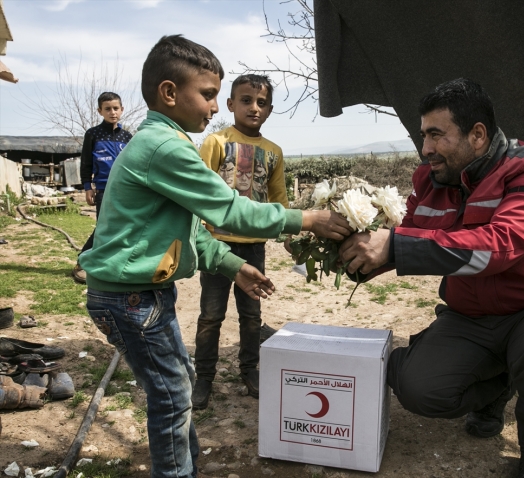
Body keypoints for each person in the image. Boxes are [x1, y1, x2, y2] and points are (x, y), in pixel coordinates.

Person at [78, 35, 351, 478]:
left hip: (141, 296)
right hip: (132, 299)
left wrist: (234, 265)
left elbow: (192, 232)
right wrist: (308, 219)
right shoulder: (166, 147)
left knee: (177, 385)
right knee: (171, 395)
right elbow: (228, 210)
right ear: (169, 93)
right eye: (207, 94)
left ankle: (189, 463)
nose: (213, 106)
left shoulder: (165, 143)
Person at [339, 78, 524, 478]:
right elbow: (406, 234)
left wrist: (396, 247)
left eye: (436, 135)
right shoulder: (431, 179)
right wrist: (346, 253)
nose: (425, 148)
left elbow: (500, 244)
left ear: (477, 135)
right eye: (423, 135)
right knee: (419, 389)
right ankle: (497, 388)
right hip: (469, 315)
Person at [192, 74, 287, 407]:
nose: (254, 107)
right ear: (231, 104)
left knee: (252, 315)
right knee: (210, 315)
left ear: (270, 109)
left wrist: (288, 234)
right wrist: (202, 232)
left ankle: (250, 369)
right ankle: (203, 377)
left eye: (261, 102)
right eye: (246, 100)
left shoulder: (273, 152)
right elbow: (199, 192)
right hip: (218, 248)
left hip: (254, 246)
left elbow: (278, 198)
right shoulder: (216, 143)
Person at [72, 92, 132, 284]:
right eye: (108, 109)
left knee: (123, 227)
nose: (112, 112)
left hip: (124, 189)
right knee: (104, 228)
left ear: (122, 110)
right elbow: (86, 164)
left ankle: (111, 265)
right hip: (103, 189)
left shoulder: (127, 136)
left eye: (116, 108)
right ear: (100, 111)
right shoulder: (93, 134)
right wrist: (88, 187)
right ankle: (82, 262)